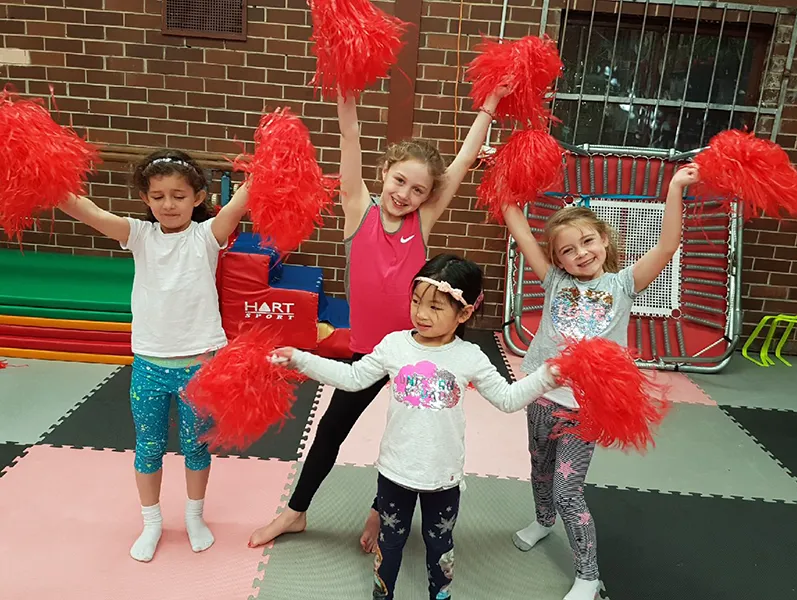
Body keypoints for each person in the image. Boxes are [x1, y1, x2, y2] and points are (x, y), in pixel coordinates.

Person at [249, 83, 509, 551]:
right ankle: (295, 512)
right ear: (384, 172)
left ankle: (380, 510)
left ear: (428, 196)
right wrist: (344, 94)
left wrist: (488, 106)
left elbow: (462, 163)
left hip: (418, 353)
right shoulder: (358, 210)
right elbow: (350, 138)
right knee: (330, 431)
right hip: (368, 353)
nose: (405, 194)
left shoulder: (420, 223)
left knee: (405, 437)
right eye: (399, 181)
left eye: (418, 190)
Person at [270, 255, 569, 600]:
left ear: (464, 313)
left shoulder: (469, 357)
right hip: (394, 474)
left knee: (439, 547)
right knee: (389, 544)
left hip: (443, 478)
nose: (422, 314)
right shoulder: (394, 345)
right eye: (416, 302)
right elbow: (353, 378)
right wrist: (301, 359)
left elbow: (507, 398)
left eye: (435, 307)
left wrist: (546, 377)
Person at [500, 165, 700, 600]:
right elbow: (518, 225)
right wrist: (502, 172)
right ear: (558, 260)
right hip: (541, 396)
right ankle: (543, 521)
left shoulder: (623, 284)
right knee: (539, 470)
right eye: (568, 250)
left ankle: (588, 575)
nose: (581, 253)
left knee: (567, 490)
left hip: (585, 410)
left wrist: (675, 188)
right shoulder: (554, 280)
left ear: (604, 240)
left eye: (588, 241)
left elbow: (667, 246)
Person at [58, 149, 250, 562]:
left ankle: (194, 516)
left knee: (196, 446)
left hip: (200, 367)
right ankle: (151, 522)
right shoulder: (139, 235)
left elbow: (240, 204)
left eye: (179, 196)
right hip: (149, 366)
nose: (168, 204)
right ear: (145, 198)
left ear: (198, 197)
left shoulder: (207, 236)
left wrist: (269, 169)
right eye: (158, 196)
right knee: (148, 447)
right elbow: (89, 212)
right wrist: (50, 187)